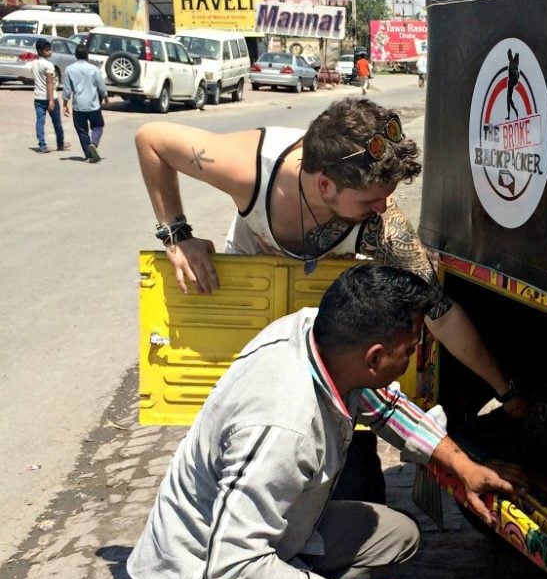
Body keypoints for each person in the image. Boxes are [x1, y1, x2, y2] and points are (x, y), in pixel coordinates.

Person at [69, 263, 518, 579]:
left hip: (261, 542)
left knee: (397, 536)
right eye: (408, 350)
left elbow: (382, 402)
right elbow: (233, 565)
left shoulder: (314, 331)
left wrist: (459, 462)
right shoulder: (283, 428)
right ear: (372, 355)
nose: (412, 357)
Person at [134, 98, 526, 501]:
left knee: (355, 479)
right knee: (254, 444)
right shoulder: (249, 169)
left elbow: (440, 314)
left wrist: (505, 390)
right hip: (254, 305)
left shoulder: (384, 226)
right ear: (325, 185)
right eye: (371, 200)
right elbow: (152, 139)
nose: (384, 208)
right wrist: (177, 235)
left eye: (386, 196)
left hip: (323, 306)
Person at [62, 43, 108, 163]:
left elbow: (67, 89)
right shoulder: (94, 69)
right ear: (87, 55)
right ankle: (94, 143)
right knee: (98, 126)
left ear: (76, 55)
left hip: (78, 106)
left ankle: (88, 154)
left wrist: (65, 104)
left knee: (82, 131)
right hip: (94, 105)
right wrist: (105, 98)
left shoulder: (69, 69)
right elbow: (101, 88)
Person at [31, 38, 65, 153]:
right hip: (51, 98)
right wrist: (51, 100)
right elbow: (50, 83)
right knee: (57, 122)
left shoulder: (34, 63)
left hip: (38, 97)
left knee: (40, 121)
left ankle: (42, 145)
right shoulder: (49, 65)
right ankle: (60, 144)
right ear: (40, 51)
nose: (50, 52)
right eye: (47, 50)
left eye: (50, 49)